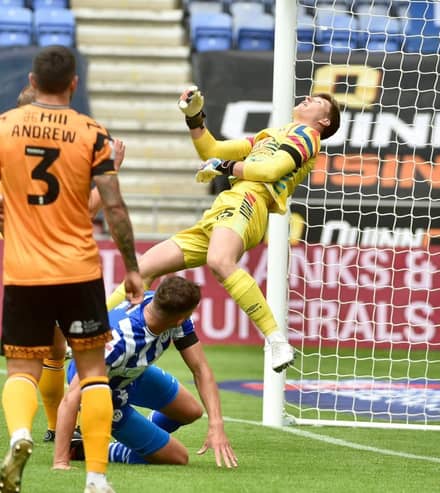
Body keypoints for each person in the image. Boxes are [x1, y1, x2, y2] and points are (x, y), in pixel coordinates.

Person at [107, 86, 341, 373]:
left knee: (220, 261)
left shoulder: (307, 136)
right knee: (144, 267)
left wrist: (225, 167)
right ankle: (98, 335)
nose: (307, 99)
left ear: (324, 121)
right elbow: (211, 150)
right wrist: (194, 118)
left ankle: (276, 340)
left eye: (316, 102)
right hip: (224, 206)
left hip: (251, 201)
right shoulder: (268, 137)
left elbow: (270, 172)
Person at [0, 45, 143, 493]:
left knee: (21, 370)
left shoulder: (3, 128)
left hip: (24, 270)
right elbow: (114, 208)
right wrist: (133, 268)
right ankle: (96, 478)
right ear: (75, 84)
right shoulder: (92, 133)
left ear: (31, 81)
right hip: (79, 268)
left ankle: (21, 434)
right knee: (93, 372)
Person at [7, 83, 127, 445]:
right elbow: (87, 210)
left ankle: (35, 430)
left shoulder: (11, 143)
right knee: (90, 368)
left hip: (23, 261)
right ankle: (92, 470)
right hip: (64, 262)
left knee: (42, 355)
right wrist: (113, 168)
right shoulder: (67, 145)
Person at [52, 276, 238, 469]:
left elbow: (201, 369)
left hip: (133, 371)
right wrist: (60, 462)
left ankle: (144, 435)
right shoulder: (117, 342)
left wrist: (216, 423)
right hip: (103, 387)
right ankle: (86, 449)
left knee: (191, 411)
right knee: (178, 457)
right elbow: (71, 398)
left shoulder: (162, 307)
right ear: (179, 319)